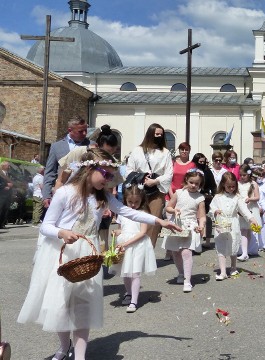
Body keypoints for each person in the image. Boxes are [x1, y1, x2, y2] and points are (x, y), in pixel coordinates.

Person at [17, 149, 180, 360]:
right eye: (107, 174)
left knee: (83, 305)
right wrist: (62, 232)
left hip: (89, 254)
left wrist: (158, 221)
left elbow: (127, 211)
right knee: (61, 304)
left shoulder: (102, 198)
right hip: (64, 253)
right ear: (90, 169)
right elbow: (45, 226)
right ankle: (64, 346)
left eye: (112, 176)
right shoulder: (65, 193)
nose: (110, 180)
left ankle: (80, 355)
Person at [108, 185, 157, 313]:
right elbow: (122, 229)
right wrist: (117, 232)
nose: (133, 205)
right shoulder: (122, 214)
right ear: (125, 199)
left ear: (141, 200)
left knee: (135, 273)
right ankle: (129, 293)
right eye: (130, 202)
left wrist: (126, 243)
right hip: (125, 245)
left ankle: (134, 301)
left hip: (138, 245)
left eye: (136, 202)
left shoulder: (143, 214)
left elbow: (142, 233)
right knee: (126, 271)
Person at [126, 123, 173, 248]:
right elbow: (129, 170)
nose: (159, 136)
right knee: (137, 219)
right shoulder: (137, 150)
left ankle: (149, 250)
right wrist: (141, 177)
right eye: (156, 134)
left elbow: (169, 173)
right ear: (150, 134)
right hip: (138, 191)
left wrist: (155, 181)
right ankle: (134, 247)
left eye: (161, 135)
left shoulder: (165, 152)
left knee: (153, 221)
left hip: (157, 190)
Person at [162, 169, 207, 293]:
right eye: (191, 182)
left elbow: (202, 215)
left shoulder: (200, 197)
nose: (193, 185)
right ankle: (181, 273)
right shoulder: (179, 193)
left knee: (186, 252)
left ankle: (187, 280)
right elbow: (168, 207)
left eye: (197, 184)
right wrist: (174, 211)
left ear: (200, 184)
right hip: (177, 223)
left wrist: (201, 225)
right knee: (176, 252)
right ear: (186, 180)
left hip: (190, 225)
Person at [209, 172, 258, 281]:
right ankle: (222, 272)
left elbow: (244, 210)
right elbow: (211, 208)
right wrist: (215, 211)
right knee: (221, 246)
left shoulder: (237, 197)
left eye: (233, 186)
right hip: (221, 223)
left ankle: (233, 267)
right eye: (229, 186)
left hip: (233, 223)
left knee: (233, 245)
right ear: (223, 185)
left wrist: (252, 219)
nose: (231, 188)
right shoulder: (218, 197)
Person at [42, 116, 92, 208]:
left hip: (86, 193)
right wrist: (46, 195)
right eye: (80, 131)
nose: (84, 133)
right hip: (62, 191)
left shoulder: (91, 145)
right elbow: (50, 172)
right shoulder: (56, 147)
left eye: (86, 130)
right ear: (70, 130)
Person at [237, 164, 261, 260]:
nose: (242, 177)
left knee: (248, 231)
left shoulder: (253, 184)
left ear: (249, 174)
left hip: (250, 208)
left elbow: (257, 197)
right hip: (241, 209)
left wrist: (250, 199)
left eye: (244, 175)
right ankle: (244, 252)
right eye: (240, 175)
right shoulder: (238, 183)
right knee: (243, 231)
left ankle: (246, 251)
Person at [192, 153, 216, 248]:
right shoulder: (192, 171)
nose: (202, 163)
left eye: (203, 161)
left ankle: (208, 240)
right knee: (195, 218)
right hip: (193, 196)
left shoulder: (207, 171)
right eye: (200, 162)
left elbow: (213, 185)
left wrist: (213, 195)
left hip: (205, 197)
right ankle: (196, 241)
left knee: (207, 218)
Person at [0, 162, 13, 229]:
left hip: (8, 194)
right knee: (1, 209)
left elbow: (12, 182)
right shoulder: (0, 173)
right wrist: (5, 186)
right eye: (8, 166)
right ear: (3, 166)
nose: (9, 167)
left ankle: (2, 223)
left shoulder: (9, 174)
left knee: (6, 209)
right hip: (1, 194)